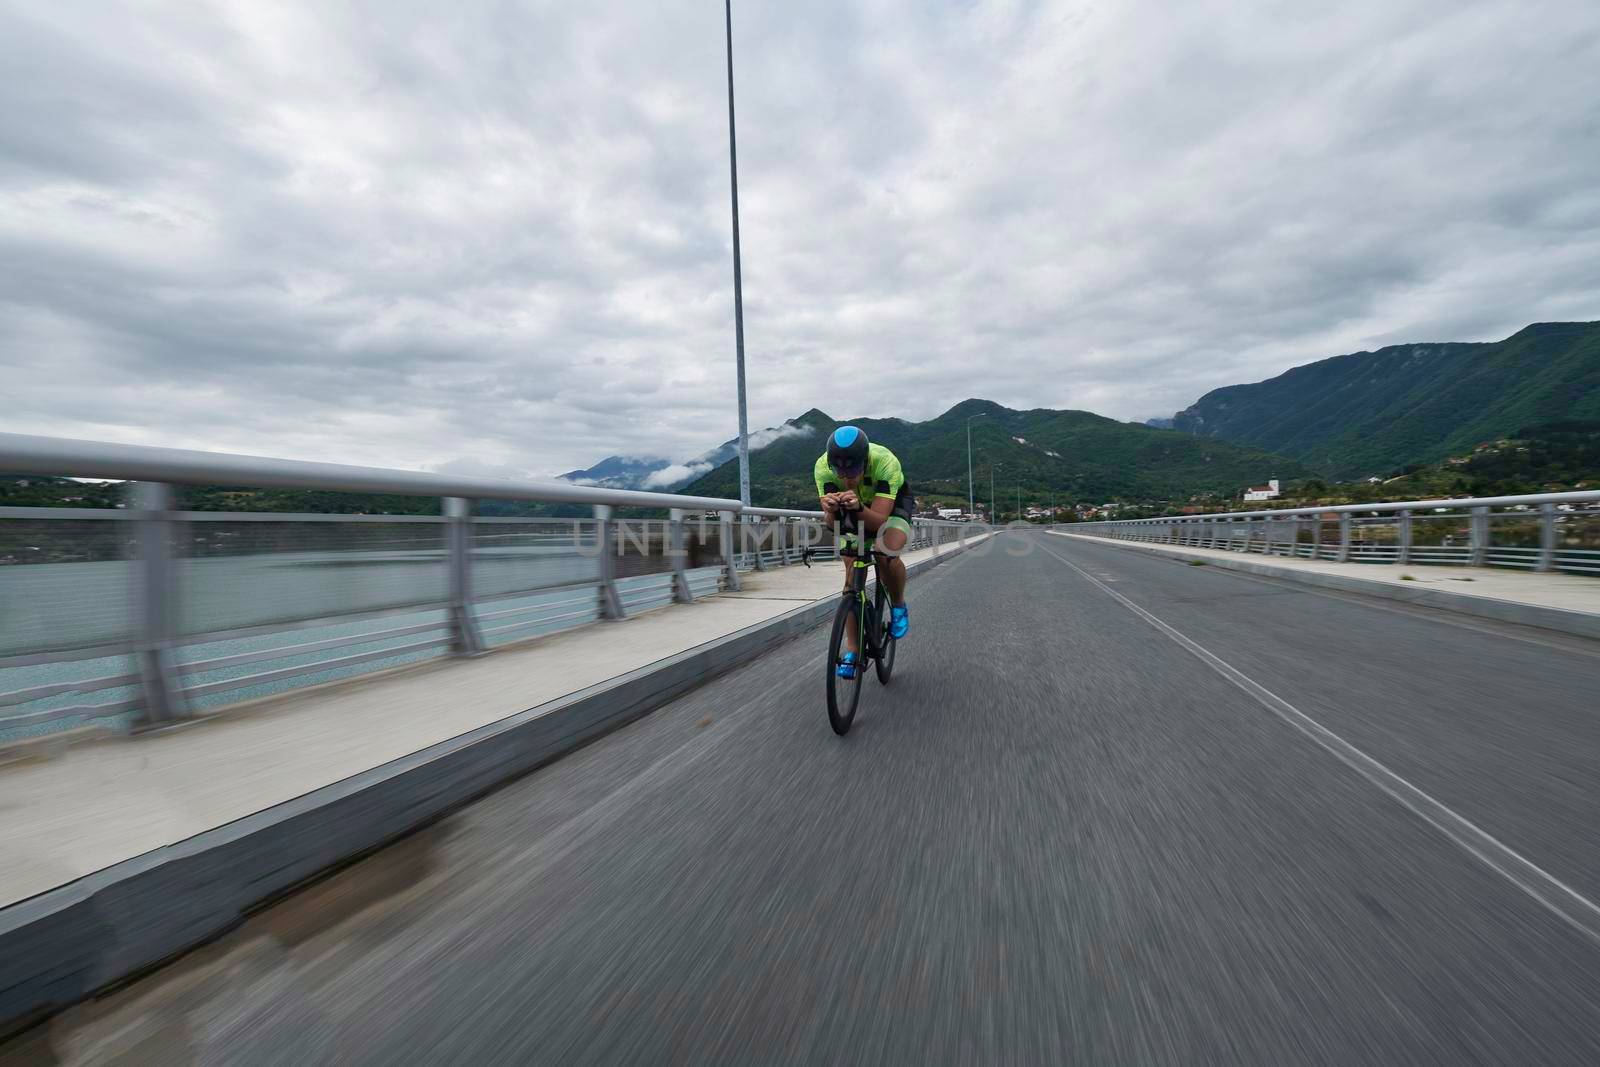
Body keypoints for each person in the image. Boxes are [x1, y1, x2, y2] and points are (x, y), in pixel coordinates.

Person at [814, 426, 913, 678]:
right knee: (850, 577)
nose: (847, 478)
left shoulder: (885, 462)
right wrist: (831, 510)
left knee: (885, 553)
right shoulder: (822, 468)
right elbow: (832, 526)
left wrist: (858, 508)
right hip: (854, 507)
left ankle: (899, 605)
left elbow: (880, 522)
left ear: (865, 460)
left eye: (854, 470)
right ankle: (853, 651)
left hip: (889, 508)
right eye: (840, 472)